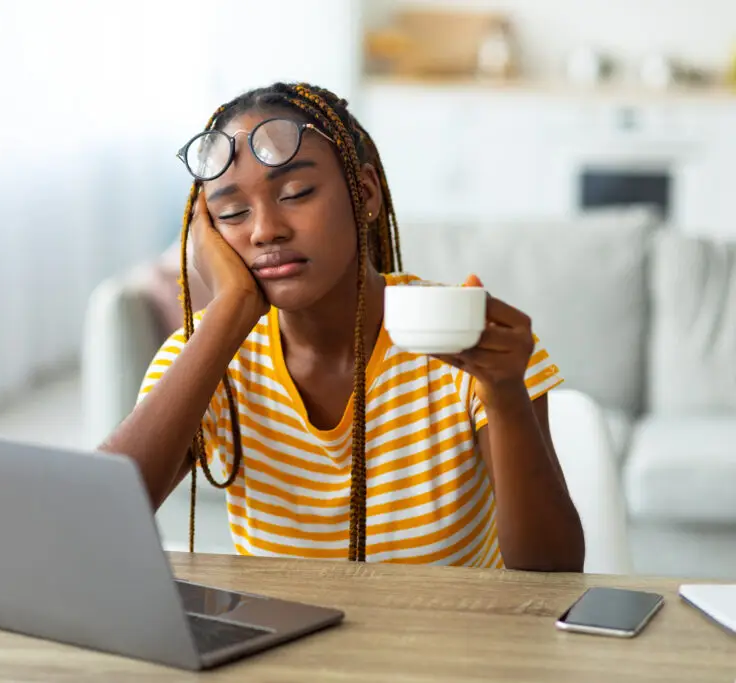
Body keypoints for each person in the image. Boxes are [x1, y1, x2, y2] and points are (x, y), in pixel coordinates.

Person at [99, 82, 584, 571]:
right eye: (233, 213)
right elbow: (97, 523)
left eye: (296, 193)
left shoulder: (466, 336)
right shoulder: (205, 352)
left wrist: (505, 393)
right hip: (280, 625)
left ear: (364, 192)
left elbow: (555, 572)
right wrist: (230, 311)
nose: (265, 230)